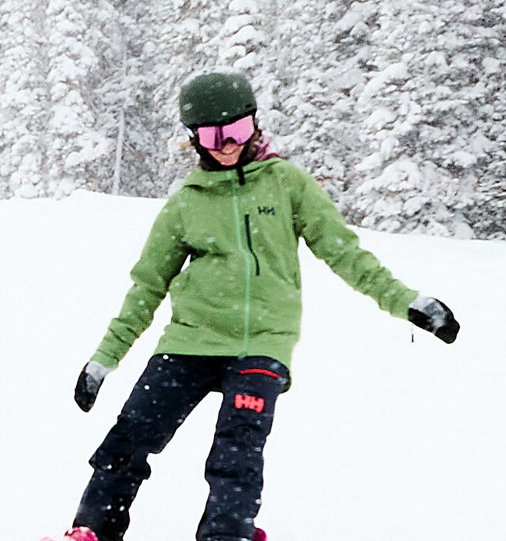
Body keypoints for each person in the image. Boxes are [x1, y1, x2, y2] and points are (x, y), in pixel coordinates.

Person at [50, 73, 465, 541]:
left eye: (237, 131)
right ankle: (93, 529)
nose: (226, 144)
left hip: (261, 343)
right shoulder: (186, 204)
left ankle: (226, 534)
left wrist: (406, 302)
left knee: (237, 451)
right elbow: (147, 287)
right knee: (129, 437)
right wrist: (105, 358)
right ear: (194, 140)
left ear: (255, 125)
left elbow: (344, 253)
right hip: (190, 340)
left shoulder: (287, 184)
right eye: (211, 135)